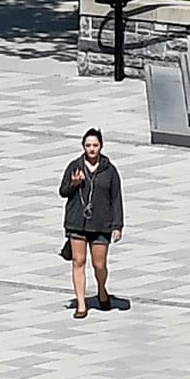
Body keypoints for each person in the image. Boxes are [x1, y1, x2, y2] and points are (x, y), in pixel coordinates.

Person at [62, 129, 124, 316]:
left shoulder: (110, 170)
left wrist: (117, 225)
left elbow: (116, 198)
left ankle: (102, 289)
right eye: (88, 145)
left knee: (99, 265)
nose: (91, 149)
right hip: (77, 222)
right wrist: (73, 184)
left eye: (95, 145)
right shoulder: (75, 166)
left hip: (100, 222)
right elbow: (63, 192)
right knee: (78, 261)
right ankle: (82, 304)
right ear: (83, 146)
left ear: (101, 146)